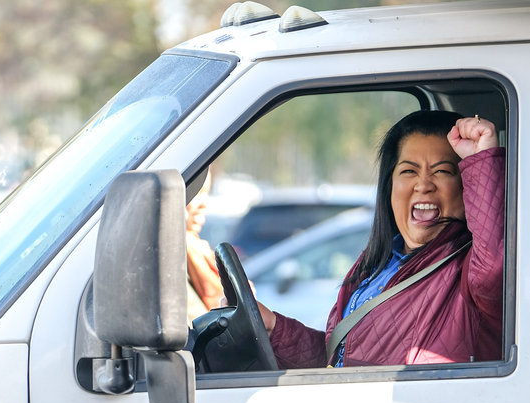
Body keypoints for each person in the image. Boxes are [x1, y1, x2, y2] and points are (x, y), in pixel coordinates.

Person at [258, 109, 505, 368]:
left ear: (466, 186)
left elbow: (494, 264)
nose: (423, 184)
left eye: (442, 171)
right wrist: (275, 330)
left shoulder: (469, 273)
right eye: (409, 171)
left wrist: (481, 159)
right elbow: (342, 364)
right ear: (390, 186)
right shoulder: (376, 266)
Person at [185, 170, 225, 322]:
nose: (204, 205)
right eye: (196, 192)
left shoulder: (197, 251)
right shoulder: (167, 257)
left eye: (206, 192)